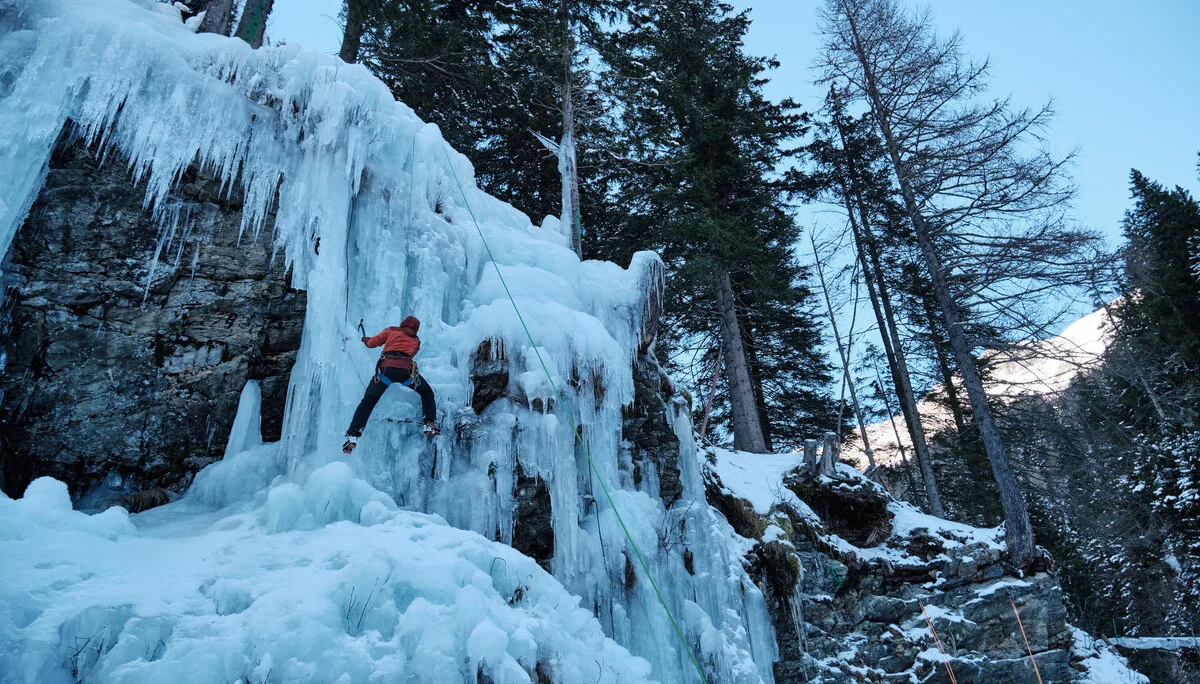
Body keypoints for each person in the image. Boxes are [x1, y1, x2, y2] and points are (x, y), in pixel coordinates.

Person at [343, 316, 438, 454]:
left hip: (386, 371)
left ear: (402, 323)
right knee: (427, 392)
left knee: (368, 401)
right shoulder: (416, 341)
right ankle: (429, 423)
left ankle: (353, 434)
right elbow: (411, 353)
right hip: (407, 373)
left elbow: (373, 343)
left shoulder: (391, 330)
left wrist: (365, 340)